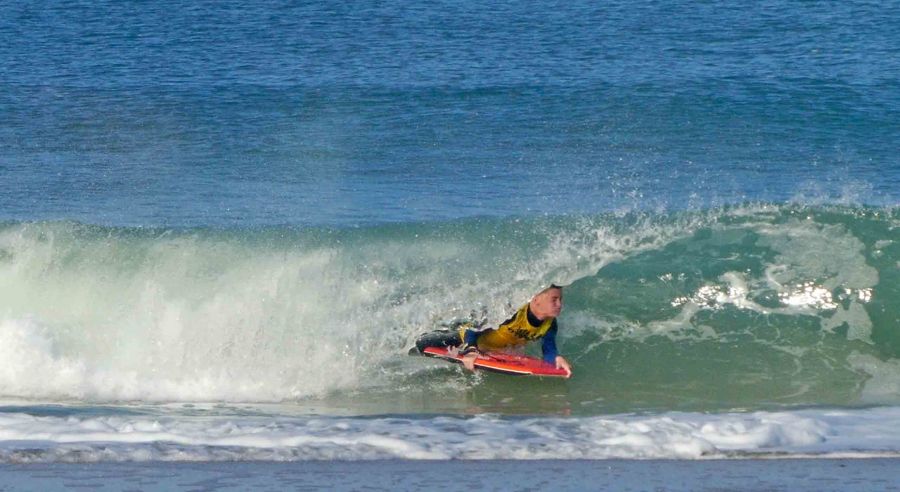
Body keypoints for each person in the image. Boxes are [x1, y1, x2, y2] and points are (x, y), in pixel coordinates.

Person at [414, 284, 572, 376]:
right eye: (554, 299)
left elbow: (549, 347)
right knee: (422, 343)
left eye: (561, 299)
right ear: (536, 300)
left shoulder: (550, 324)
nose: (559, 304)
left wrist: (555, 358)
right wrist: (470, 349)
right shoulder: (513, 312)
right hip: (469, 336)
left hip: (493, 346)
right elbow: (474, 327)